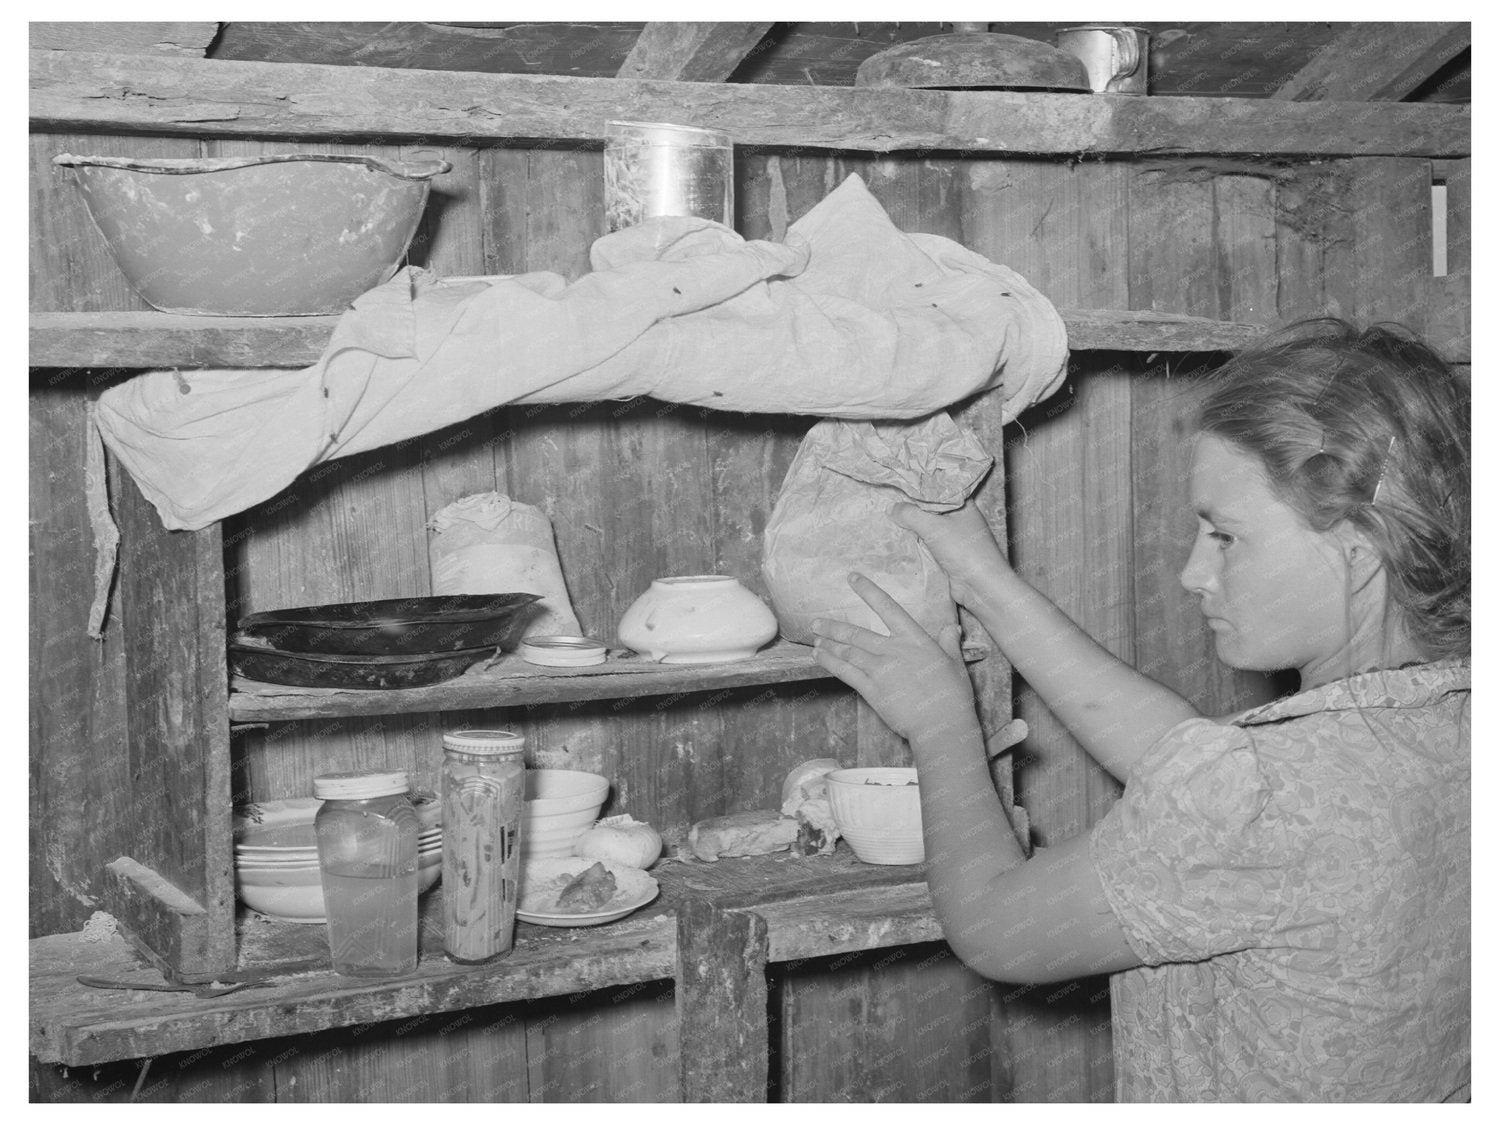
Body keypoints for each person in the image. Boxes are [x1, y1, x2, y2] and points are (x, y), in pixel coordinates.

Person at [811, 318, 1470, 1102]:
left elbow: (994, 926)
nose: (1194, 571)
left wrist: (940, 720)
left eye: (1225, 535)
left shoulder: (1256, 806)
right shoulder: (1449, 721)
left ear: (1361, 543)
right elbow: (1189, 759)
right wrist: (981, 574)